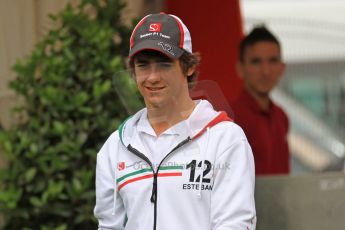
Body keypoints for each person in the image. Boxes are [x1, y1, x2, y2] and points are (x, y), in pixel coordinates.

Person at [94, 13, 256, 230]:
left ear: (189, 67)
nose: (152, 77)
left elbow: (234, 225)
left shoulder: (225, 139)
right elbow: (108, 226)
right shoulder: (115, 147)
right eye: (143, 65)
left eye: (164, 64)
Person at [231, 26, 290, 175]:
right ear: (240, 68)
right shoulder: (229, 118)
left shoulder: (281, 116)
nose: (266, 71)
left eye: (273, 61)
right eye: (256, 62)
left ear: (282, 68)